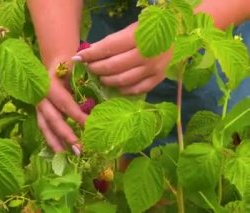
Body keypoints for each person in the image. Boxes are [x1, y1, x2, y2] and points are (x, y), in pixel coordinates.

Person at [27, 0, 250, 155]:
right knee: (114, 156)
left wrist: (175, 31)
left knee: (214, 152)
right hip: (107, 39)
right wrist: (60, 55)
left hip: (210, 39)